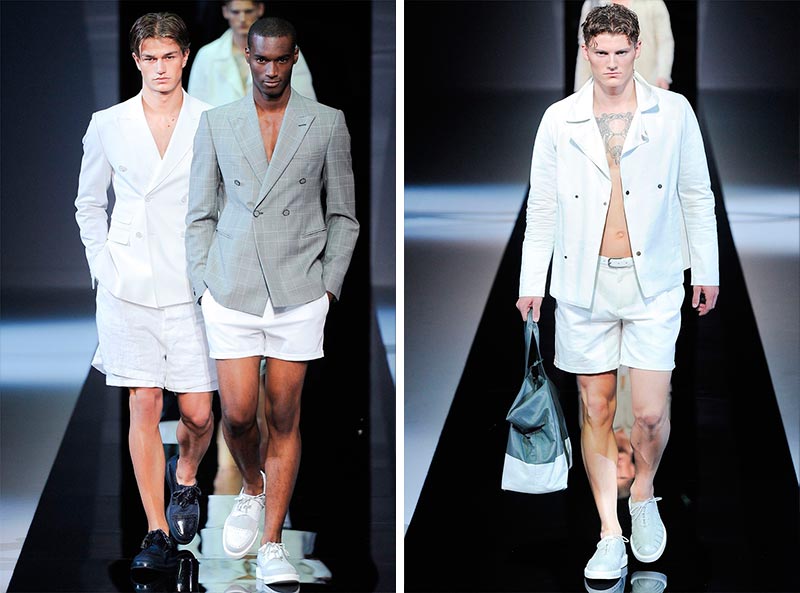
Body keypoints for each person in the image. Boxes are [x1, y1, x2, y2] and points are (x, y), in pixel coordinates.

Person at [516, 3, 718, 580]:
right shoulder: (559, 119)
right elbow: (543, 206)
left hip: (655, 280)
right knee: (596, 406)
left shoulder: (673, 113)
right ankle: (609, 531)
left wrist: (706, 269)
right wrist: (533, 281)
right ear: (585, 52)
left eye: (620, 52)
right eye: (600, 52)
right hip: (583, 282)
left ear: (637, 50)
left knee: (650, 413)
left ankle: (644, 492)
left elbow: (695, 194)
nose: (610, 63)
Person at [185, 16, 359, 585]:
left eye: (281, 59)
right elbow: (199, 213)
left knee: (283, 416)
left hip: (297, 289)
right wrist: (201, 285)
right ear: (248, 58)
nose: (270, 70)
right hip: (231, 287)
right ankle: (253, 486)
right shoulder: (217, 123)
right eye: (261, 59)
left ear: (294, 58)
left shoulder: (326, 122)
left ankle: (273, 544)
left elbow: (344, 215)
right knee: (238, 415)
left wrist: (328, 286)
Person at [74, 13, 217, 572]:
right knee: (144, 401)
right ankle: (156, 529)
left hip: (191, 281)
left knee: (199, 413)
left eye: (169, 56)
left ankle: (187, 474)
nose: (160, 68)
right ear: (136, 60)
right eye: (149, 58)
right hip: (128, 280)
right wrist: (102, 268)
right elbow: (89, 202)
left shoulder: (211, 120)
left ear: (185, 57)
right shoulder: (108, 123)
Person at [188, 0, 316, 106]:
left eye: (248, 11)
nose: (242, 19)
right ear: (225, 12)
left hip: (274, 125)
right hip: (220, 127)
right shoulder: (207, 55)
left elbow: (307, 102)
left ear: (260, 9)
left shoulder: (285, 50)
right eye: (235, 12)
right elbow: (195, 106)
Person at [574, 0, 674, 91]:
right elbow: (584, 44)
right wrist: (580, 86)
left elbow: (665, 41)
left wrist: (663, 75)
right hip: (603, 85)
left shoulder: (653, 3)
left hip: (647, 76)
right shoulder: (593, 3)